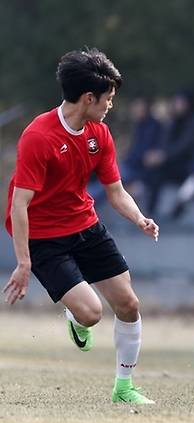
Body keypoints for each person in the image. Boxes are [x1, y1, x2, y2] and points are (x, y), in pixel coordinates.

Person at [2, 49, 159, 404]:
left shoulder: (99, 135)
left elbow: (116, 192)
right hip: (44, 237)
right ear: (89, 98)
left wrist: (139, 218)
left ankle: (124, 388)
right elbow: (18, 204)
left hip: (85, 225)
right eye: (108, 99)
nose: (110, 106)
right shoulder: (38, 136)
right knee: (91, 314)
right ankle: (76, 316)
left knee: (129, 304)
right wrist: (24, 263)